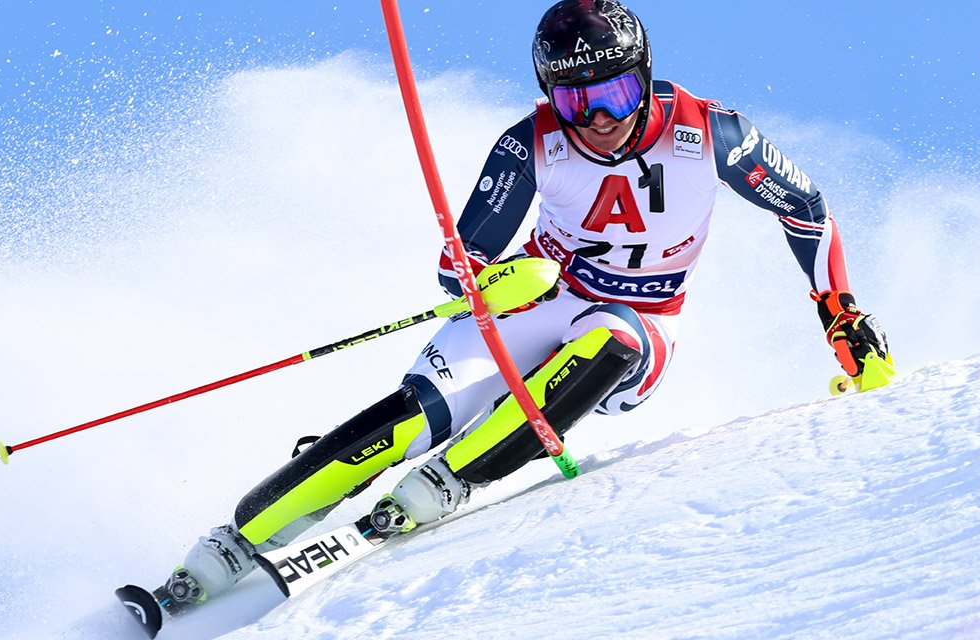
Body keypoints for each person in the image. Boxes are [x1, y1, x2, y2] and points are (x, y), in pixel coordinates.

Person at [151, 0, 890, 612]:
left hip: (641, 321)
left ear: (644, 78)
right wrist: (479, 273)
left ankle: (449, 481)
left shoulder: (712, 133)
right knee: (409, 415)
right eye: (576, 102)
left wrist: (838, 309)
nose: (600, 120)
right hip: (539, 298)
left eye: (616, 96)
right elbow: (462, 259)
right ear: (550, 98)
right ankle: (237, 541)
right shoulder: (531, 144)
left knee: (611, 344)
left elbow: (807, 209)